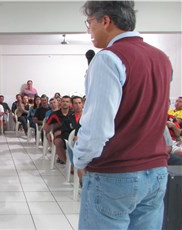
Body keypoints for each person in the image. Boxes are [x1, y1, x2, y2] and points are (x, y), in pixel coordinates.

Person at [73, 1, 173, 229]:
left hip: (116, 172)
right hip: (156, 171)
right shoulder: (162, 58)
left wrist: (80, 159)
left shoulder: (108, 58)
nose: (89, 31)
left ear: (106, 21)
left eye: (90, 23)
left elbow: (98, 126)